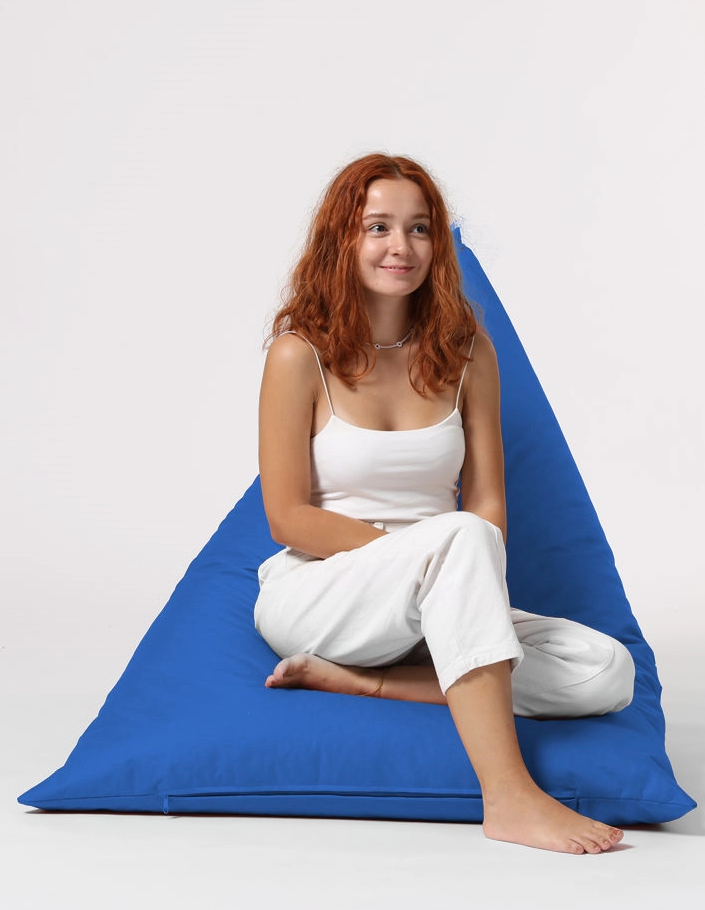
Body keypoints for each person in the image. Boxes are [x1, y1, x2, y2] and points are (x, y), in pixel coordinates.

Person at [253, 153, 635, 854]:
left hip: (444, 583)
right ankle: (509, 797)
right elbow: (287, 516)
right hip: (323, 589)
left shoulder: (467, 354)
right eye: (378, 226)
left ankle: (367, 683)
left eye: (420, 228)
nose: (400, 245)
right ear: (343, 239)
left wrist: (455, 584)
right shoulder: (298, 355)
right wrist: (420, 561)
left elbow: (487, 500)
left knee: (606, 670)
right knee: (458, 536)